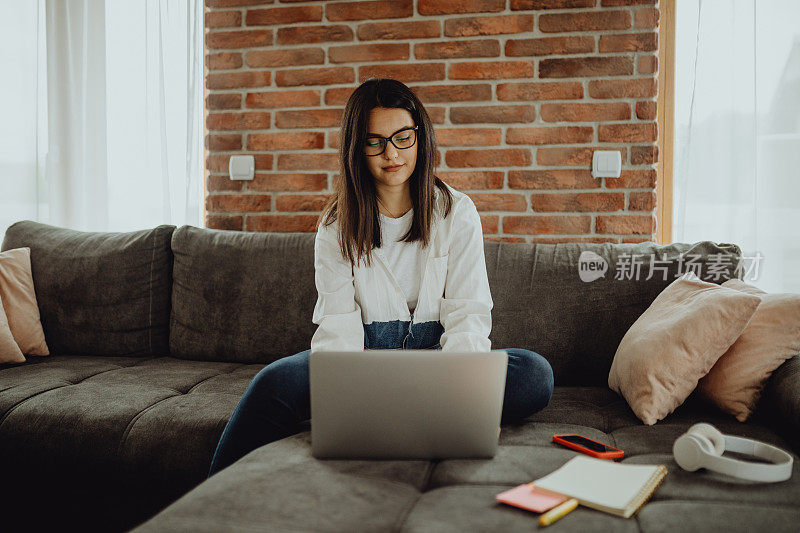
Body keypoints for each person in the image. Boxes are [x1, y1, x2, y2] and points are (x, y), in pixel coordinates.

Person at [207, 78, 554, 477]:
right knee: (275, 381)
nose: (391, 154)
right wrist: (350, 400)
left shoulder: (457, 211)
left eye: (402, 137)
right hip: (362, 366)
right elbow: (337, 327)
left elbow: (468, 314)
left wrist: (466, 400)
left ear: (420, 138)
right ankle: (198, 510)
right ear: (358, 148)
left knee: (534, 373)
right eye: (375, 142)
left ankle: (415, 412)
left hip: (438, 368)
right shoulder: (335, 225)